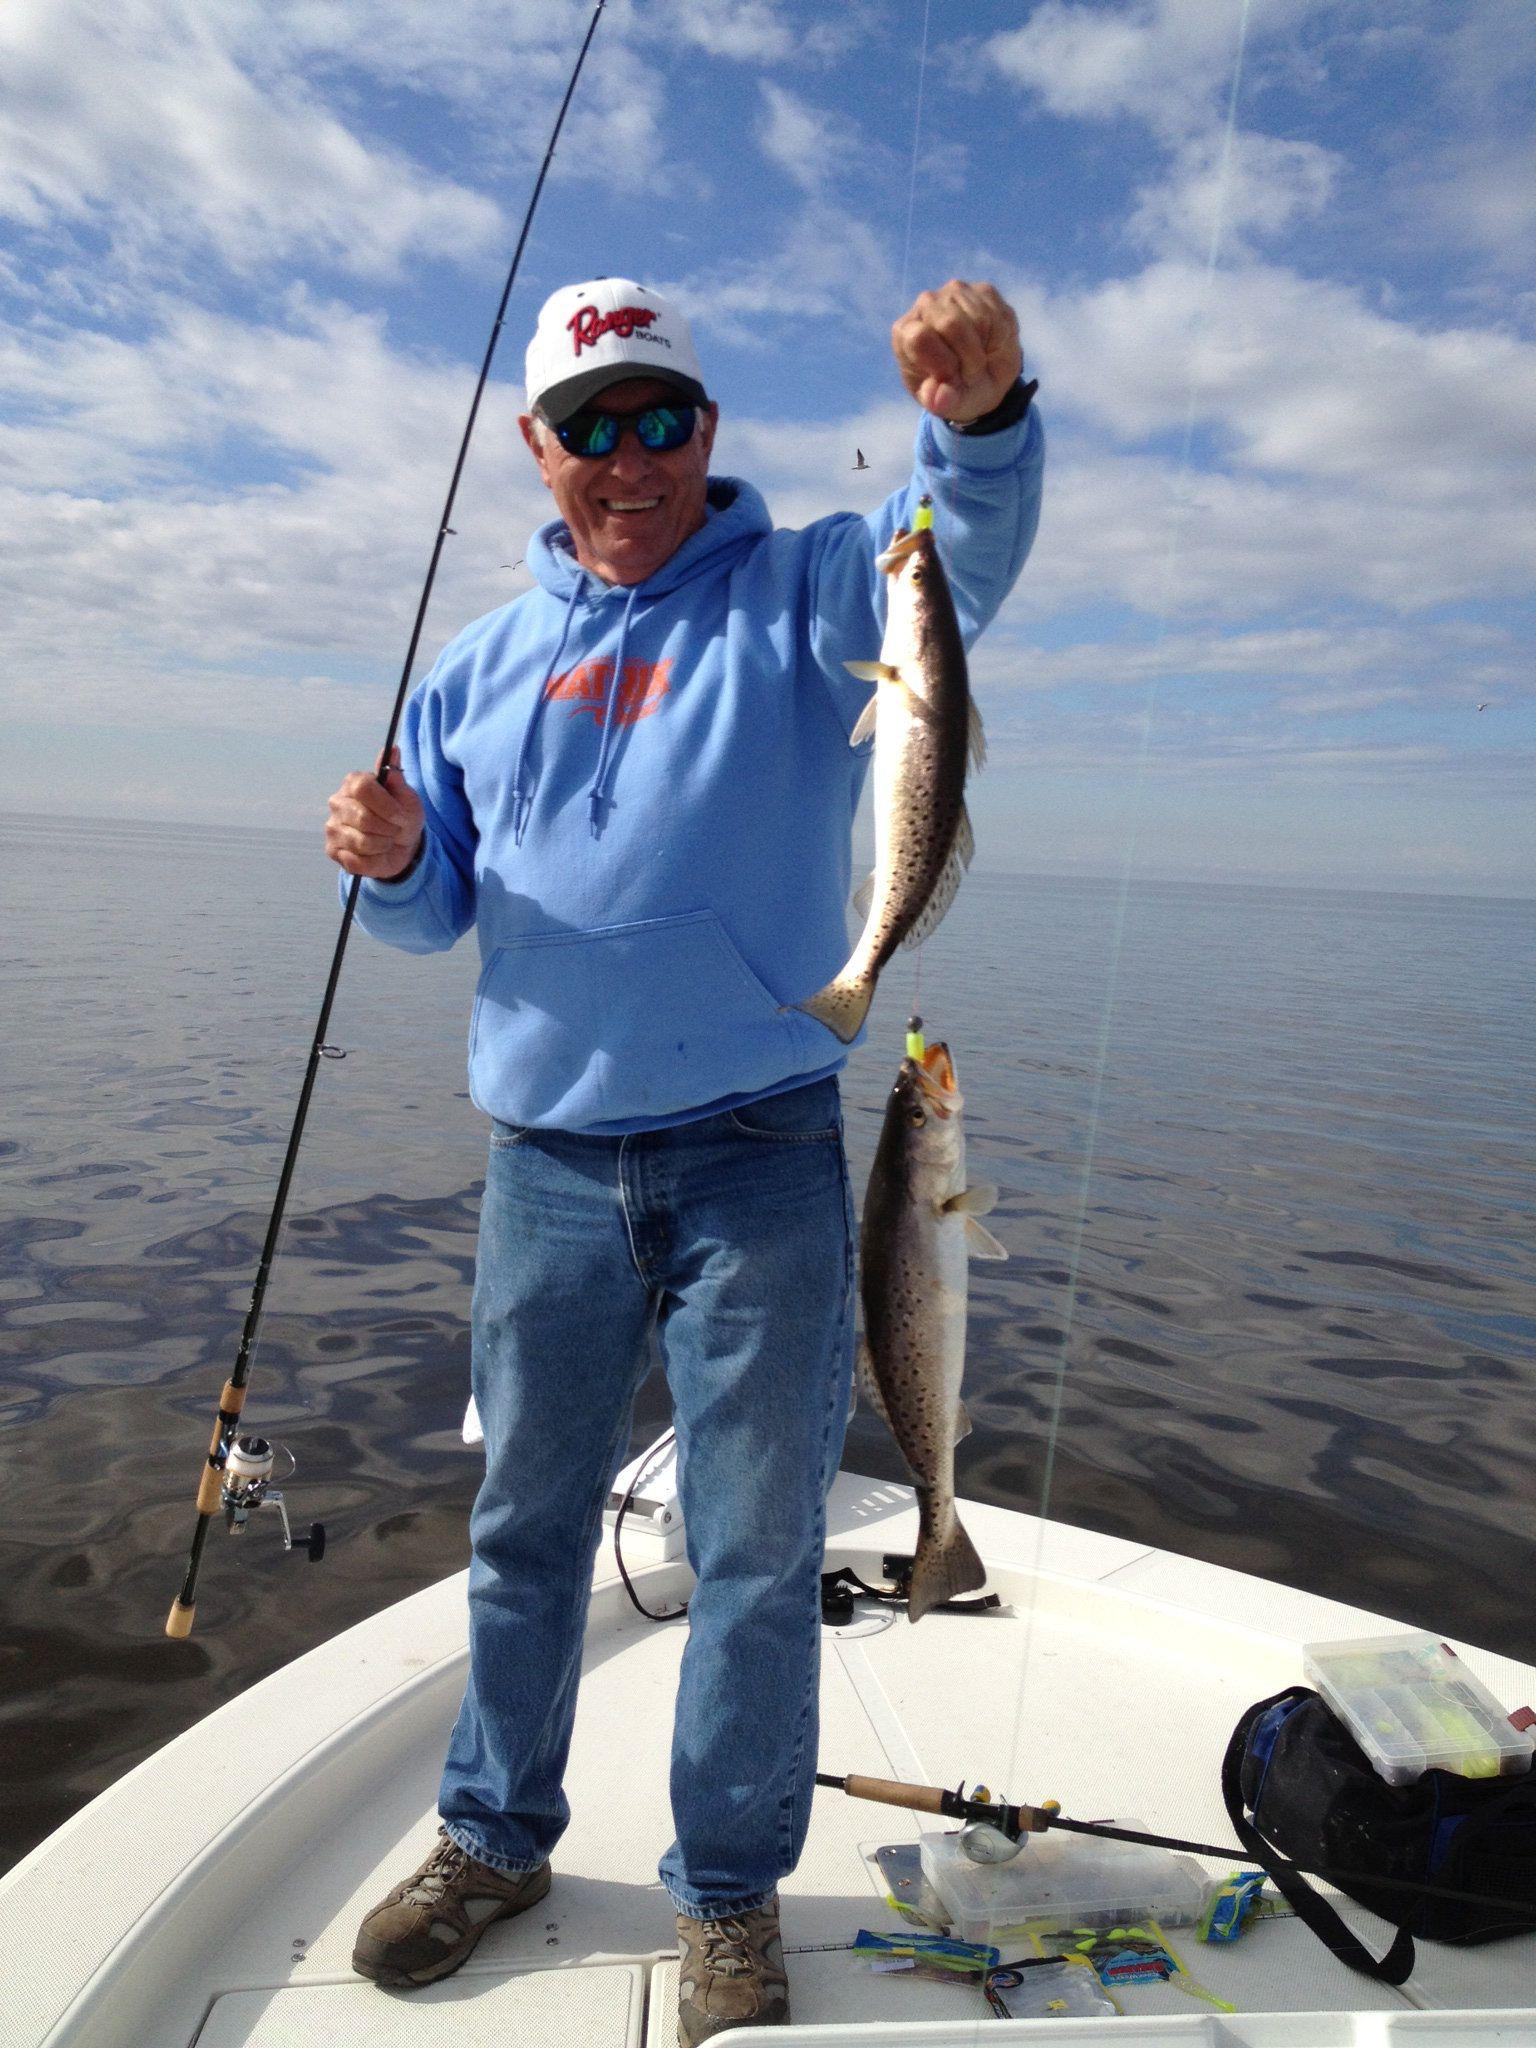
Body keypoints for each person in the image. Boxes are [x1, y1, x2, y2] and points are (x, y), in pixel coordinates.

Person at [324, 273, 1043, 2044]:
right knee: (522, 1531)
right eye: (593, 427)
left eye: (660, 419)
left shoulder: (816, 586)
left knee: (751, 1547)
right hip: (547, 1163)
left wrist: (983, 422)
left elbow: (958, 554)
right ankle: (493, 1839)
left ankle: (727, 1897)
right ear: (539, 449)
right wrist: (394, 857)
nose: (628, 457)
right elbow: (434, 918)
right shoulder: (478, 670)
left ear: (706, 432)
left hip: (762, 1149)